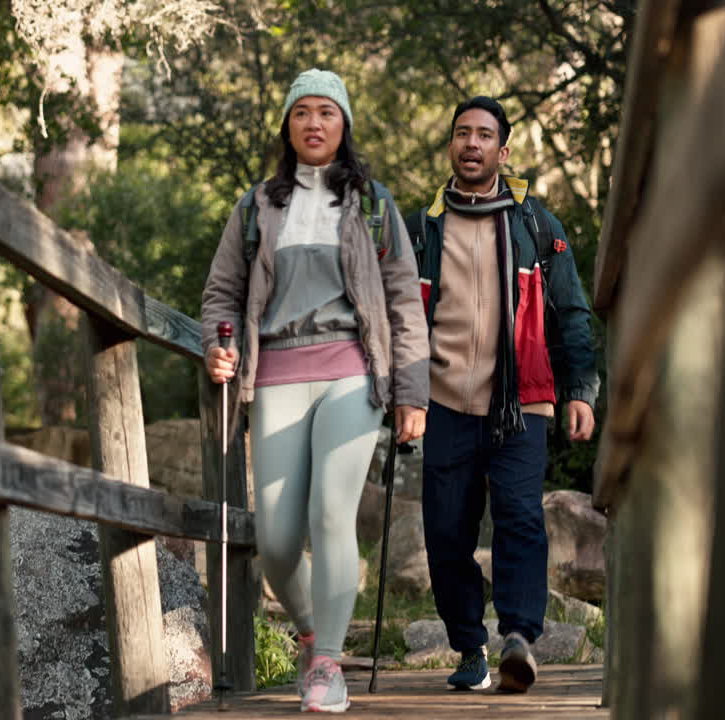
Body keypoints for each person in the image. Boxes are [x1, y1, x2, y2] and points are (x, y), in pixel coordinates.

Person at [201, 68, 429, 713]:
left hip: (352, 373)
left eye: (326, 112)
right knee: (274, 539)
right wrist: (217, 347)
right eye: (302, 112)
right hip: (275, 373)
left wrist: (413, 393)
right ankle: (309, 633)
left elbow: (404, 303)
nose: (314, 123)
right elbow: (222, 293)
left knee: (332, 513)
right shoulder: (256, 207)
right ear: (287, 126)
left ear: (344, 124)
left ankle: (328, 663)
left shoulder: (373, 204)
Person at [406, 95, 599, 694]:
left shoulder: (535, 224)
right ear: (451, 146)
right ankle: (469, 644)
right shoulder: (424, 227)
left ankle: (518, 637)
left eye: (483, 135)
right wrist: (400, 393)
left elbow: (571, 312)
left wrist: (581, 391)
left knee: (519, 518)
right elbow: (399, 317)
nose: (471, 143)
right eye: (462, 133)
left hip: (523, 402)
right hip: (443, 401)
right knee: (444, 532)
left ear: (502, 150)